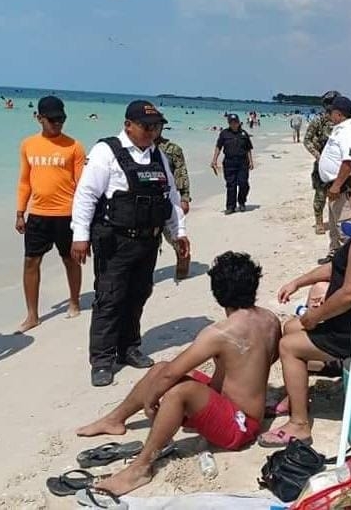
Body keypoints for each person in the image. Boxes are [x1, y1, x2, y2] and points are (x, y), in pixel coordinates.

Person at [75, 251, 280, 495]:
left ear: (217, 293)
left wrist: (151, 401)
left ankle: (141, 468)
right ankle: (115, 419)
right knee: (161, 368)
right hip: (239, 410)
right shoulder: (270, 320)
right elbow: (267, 359)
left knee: (178, 391)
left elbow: (172, 377)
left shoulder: (220, 333)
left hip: (242, 426)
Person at [258, 165, 351, 447]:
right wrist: (298, 282)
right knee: (290, 326)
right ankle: (297, 390)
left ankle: (299, 425)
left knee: (289, 346)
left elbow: (349, 293)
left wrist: (314, 317)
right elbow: (336, 269)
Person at [71, 100, 190, 387]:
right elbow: (86, 195)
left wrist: (179, 233)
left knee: (139, 294)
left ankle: (129, 348)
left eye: (156, 127)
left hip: (148, 241)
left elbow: (170, 198)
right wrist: (80, 236)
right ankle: (102, 359)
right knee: (110, 298)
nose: (152, 132)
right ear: (128, 125)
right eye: (147, 126)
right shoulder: (106, 152)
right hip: (115, 241)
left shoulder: (158, 156)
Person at [16, 96, 85, 332]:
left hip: (67, 214)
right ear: (39, 118)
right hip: (38, 214)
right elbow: (25, 181)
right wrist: (20, 212)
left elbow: (82, 185)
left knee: (70, 259)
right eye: (53, 119)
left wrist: (84, 221)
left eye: (61, 119)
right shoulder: (28, 145)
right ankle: (32, 315)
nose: (58, 124)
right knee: (30, 262)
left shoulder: (74, 146)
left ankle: (74, 302)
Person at [316, 95, 351, 264]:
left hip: (342, 185)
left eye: (330, 112)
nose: (329, 116)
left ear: (338, 114)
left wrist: (336, 186)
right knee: (334, 223)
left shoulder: (349, 132)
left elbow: (348, 162)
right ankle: (334, 255)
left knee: (345, 224)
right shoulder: (342, 129)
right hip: (334, 184)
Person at [155, 132, 192, 281]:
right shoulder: (138, 149)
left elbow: (181, 174)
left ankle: (183, 257)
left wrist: (184, 197)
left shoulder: (172, 149)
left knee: (173, 236)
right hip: (147, 203)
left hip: (169, 201)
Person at [304, 91, 339, 236]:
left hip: (338, 164)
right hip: (322, 165)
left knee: (339, 194)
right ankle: (319, 222)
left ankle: (337, 221)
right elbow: (307, 140)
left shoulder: (342, 121)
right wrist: (319, 157)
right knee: (320, 195)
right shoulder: (318, 121)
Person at [210, 114, 254, 215]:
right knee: (231, 185)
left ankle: (242, 201)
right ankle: (230, 207)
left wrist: (251, 161)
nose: (233, 124)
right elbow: (218, 147)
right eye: (231, 122)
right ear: (229, 123)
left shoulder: (244, 134)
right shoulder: (224, 134)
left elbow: (248, 149)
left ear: (239, 122)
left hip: (243, 162)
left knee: (243, 184)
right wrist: (214, 160)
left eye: (235, 122)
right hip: (229, 162)